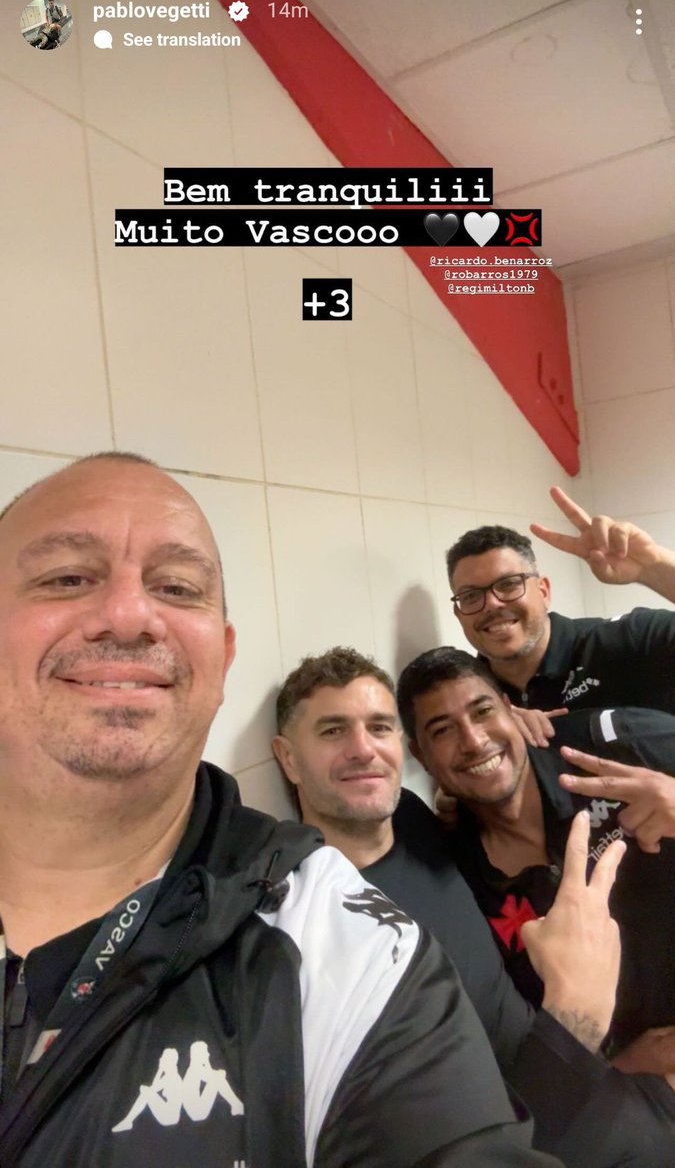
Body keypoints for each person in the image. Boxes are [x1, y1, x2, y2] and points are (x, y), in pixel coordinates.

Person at [0, 452, 566, 1168]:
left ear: (223, 656)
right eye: (67, 577)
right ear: (286, 759)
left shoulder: (360, 940)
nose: (129, 613)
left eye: (176, 587)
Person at [274, 647, 675, 1166]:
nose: (364, 750)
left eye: (379, 727)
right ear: (287, 758)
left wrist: (602, 1063)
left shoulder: (415, 821)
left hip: (618, 1092)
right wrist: (578, 1018)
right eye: (332, 731)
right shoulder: (315, 919)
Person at [395, 646, 675, 1073]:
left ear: (512, 712)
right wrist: (622, 1070)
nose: (474, 741)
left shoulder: (613, 746)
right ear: (421, 757)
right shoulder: (459, 880)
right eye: (443, 730)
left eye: (483, 711)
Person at [445, 487, 675, 717]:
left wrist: (654, 568)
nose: (492, 604)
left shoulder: (624, 641)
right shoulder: (467, 696)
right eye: (471, 596)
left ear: (543, 591)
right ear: (458, 614)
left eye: (508, 584)